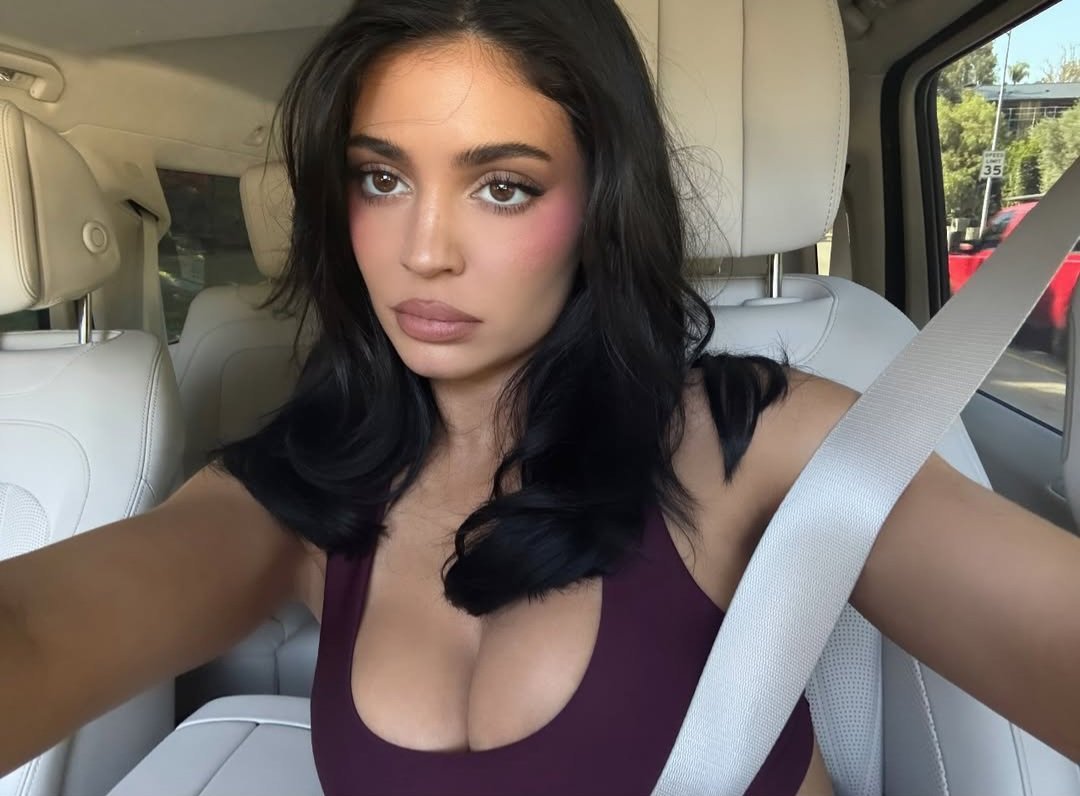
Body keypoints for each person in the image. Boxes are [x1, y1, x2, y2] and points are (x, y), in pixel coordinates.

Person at [1, 1, 1078, 794]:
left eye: (503, 186)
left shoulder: (761, 440)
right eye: (382, 177)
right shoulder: (301, 487)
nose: (425, 250)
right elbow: (35, 634)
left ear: (601, 203)